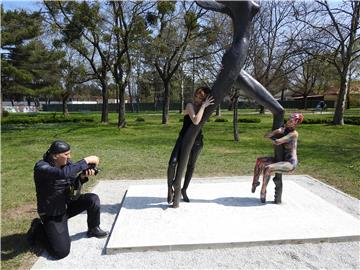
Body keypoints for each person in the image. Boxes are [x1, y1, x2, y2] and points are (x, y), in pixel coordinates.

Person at [26, 140, 108, 259]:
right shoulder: (41, 167)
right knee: (61, 252)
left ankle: (93, 228)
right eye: (66, 154)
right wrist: (85, 161)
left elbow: (71, 184)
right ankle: (38, 228)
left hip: (66, 205)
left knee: (92, 199)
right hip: (52, 213)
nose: (69, 157)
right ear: (55, 156)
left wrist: (82, 177)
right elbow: (61, 174)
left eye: (69, 153)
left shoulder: (67, 164)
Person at [167, 87, 214, 204]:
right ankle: (169, 188)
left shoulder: (207, 108)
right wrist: (203, 106)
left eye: (201, 98)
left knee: (191, 166)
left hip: (197, 141)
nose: (197, 99)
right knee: (172, 162)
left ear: (205, 99)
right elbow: (195, 120)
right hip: (183, 139)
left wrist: (204, 106)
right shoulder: (190, 105)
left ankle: (184, 190)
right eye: (196, 96)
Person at [251, 113, 304, 203]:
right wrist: (276, 131)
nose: (288, 122)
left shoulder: (293, 134)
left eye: (291, 121)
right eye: (288, 119)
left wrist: (276, 132)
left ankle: (263, 192)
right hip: (280, 160)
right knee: (259, 161)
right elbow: (266, 136)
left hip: (290, 163)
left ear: (295, 124)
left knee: (268, 168)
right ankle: (255, 183)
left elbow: (278, 142)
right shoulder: (284, 130)